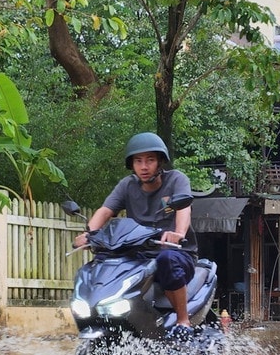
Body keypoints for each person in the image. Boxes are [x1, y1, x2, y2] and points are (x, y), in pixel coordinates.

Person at [73, 132, 197, 335]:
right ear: (132, 164)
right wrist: (89, 234)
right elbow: (105, 211)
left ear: (160, 163)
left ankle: (183, 321)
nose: (144, 166)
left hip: (176, 251)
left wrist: (178, 233)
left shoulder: (176, 180)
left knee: (167, 260)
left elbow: (184, 209)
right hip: (137, 253)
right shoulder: (127, 185)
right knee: (101, 261)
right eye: (138, 161)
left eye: (150, 160)